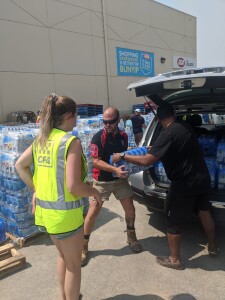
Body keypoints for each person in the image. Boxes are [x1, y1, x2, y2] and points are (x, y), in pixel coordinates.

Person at [15, 94, 102, 300]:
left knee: (63, 257)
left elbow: (20, 165)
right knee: (74, 266)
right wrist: (94, 192)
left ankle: (64, 296)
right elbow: (73, 186)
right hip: (66, 216)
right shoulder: (70, 142)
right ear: (68, 116)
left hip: (46, 214)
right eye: (76, 116)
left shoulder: (42, 140)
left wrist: (36, 189)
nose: (77, 121)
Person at [113, 102, 217, 270]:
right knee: (204, 211)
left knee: (172, 219)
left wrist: (124, 155)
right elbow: (169, 145)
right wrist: (153, 148)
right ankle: (212, 247)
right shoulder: (185, 127)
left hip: (184, 183)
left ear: (159, 119)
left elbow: (147, 160)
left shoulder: (167, 133)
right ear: (173, 114)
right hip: (202, 177)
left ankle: (175, 260)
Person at [82, 107, 142, 266]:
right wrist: (114, 169)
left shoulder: (123, 136)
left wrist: (127, 169)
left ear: (118, 120)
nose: (107, 125)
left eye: (110, 122)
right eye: (105, 122)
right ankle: (83, 246)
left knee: (131, 210)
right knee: (92, 214)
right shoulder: (98, 138)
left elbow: (123, 157)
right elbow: (96, 161)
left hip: (120, 180)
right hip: (102, 181)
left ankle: (131, 236)